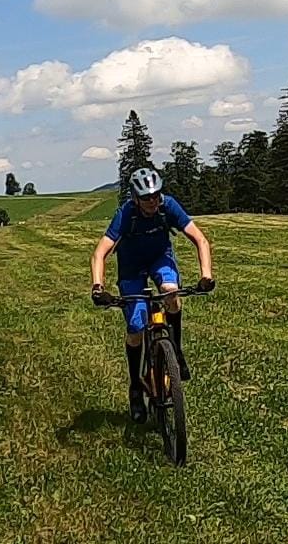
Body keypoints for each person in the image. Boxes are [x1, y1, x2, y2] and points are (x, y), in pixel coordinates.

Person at [90, 167, 215, 421]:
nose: (152, 201)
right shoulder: (126, 214)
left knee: (171, 292)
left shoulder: (168, 206)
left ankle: (176, 352)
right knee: (136, 325)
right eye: (146, 197)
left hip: (160, 259)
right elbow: (100, 252)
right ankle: (136, 386)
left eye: (156, 195)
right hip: (132, 267)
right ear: (135, 198)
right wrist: (98, 287)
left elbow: (200, 240)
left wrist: (206, 275)